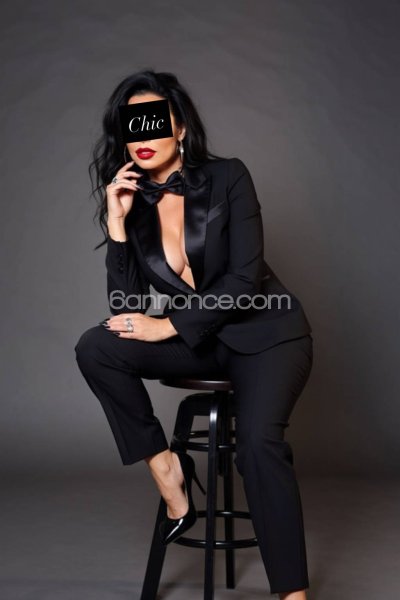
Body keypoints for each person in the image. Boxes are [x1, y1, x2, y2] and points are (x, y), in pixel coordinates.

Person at [74, 69, 314, 599]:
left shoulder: (229, 176)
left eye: (154, 121)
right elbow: (127, 310)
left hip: (267, 337)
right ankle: (169, 472)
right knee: (97, 347)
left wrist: (168, 326)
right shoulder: (134, 207)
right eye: (132, 126)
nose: (143, 136)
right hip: (204, 344)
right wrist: (117, 225)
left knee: (257, 445)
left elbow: (244, 281)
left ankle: (292, 595)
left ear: (180, 128)